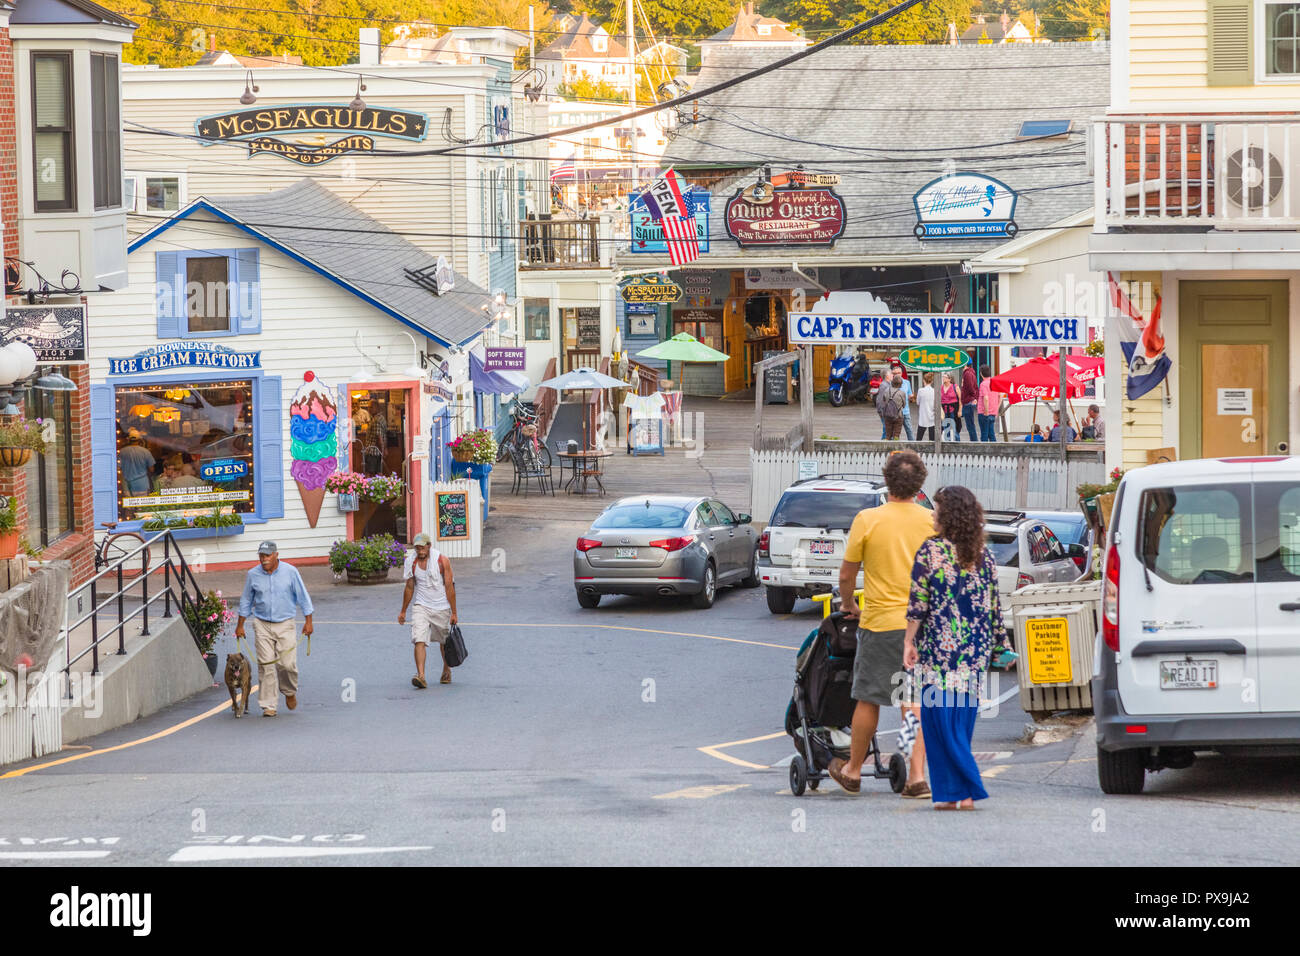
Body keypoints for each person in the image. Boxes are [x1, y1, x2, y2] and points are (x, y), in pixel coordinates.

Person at [828, 450, 934, 798]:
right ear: (920, 485)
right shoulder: (931, 521)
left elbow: (847, 573)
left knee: (868, 699)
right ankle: (916, 775)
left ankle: (854, 770)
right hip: (920, 627)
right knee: (912, 701)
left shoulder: (868, 519)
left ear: (887, 481)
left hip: (879, 623)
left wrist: (848, 604)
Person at [903, 485, 1000, 809]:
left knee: (938, 723)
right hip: (974, 653)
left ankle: (966, 786)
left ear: (949, 514)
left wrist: (908, 641)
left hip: (940, 654)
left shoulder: (930, 551)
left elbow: (918, 602)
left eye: (937, 508)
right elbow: (994, 606)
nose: (932, 513)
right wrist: (1000, 644)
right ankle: (955, 794)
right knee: (958, 722)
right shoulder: (983, 554)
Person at [235, 541, 314, 717]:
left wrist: (308, 621)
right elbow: (246, 600)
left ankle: (289, 691)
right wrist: (240, 625)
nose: (264, 559)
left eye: (267, 555)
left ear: (276, 555)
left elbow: (303, 596)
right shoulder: (253, 575)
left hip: (285, 623)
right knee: (266, 665)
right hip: (262, 624)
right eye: (261, 555)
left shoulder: (290, 572)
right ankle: (269, 705)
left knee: (287, 664)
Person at [398, 532, 458, 688]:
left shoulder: (442, 560)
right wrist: (403, 611)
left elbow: (450, 587)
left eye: (422, 548)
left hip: (441, 606)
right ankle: (421, 676)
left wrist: (454, 612)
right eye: (417, 548)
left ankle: (446, 670)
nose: (420, 551)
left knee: (444, 642)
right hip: (421, 606)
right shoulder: (411, 562)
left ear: (429, 546)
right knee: (419, 639)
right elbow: (410, 587)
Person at [119, 430, 155, 495]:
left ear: (129, 440)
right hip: (142, 484)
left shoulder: (122, 452)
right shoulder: (145, 451)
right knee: (142, 504)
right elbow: (152, 469)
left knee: (130, 504)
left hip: (127, 485)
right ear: (139, 440)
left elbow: (118, 468)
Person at [875, 371, 907, 441]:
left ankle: (886, 447)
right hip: (898, 416)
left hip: (887, 415)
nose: (892, 375)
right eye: (891, 374)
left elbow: (883, 400)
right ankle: (893, 446)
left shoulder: (887, 390)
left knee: (888, 434)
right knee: (896, 433)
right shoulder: (901, 393)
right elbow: (904, 405)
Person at [977, 365, 998, 442]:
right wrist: (997, 409)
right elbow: (1000, 395)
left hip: (984, 413)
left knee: (984, 435)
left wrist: (986, 411)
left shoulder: (983, 384)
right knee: (991, 434)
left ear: (981, 374)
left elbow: (985, 398)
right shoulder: (994, 382)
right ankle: (995, 452)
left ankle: (984, 452)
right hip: (993, 412)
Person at [960, 362, 979, 442]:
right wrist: (975, 398)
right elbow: (975, 387)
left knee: (970, 425)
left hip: (968, 401)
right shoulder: (971, 373)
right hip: (969, 401)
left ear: (965, 364)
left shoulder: (967, 374)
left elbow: (971, 387)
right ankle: (974, 441)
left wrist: (973, 397)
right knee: (970, 425)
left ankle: (974, 442)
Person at [915, 372, 936, 441]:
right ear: (932, 381)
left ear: (924, 380)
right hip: (932, 415)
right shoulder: (934, 391)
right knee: (932, 438)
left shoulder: (921, 391)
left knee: (919, 438)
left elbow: (918, 402)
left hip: (923, 416)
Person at [940, 373, 960, 440]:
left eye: (945, 377)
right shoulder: (941, 387)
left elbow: (960, 399)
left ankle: (958, 442)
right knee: (945, 428)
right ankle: (947, 443)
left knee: (955, 427)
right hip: (944, 411)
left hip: (953, 410)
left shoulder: (955, 387)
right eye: (943, 377)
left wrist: (960, 410)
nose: (943, 378)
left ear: (949, 379)